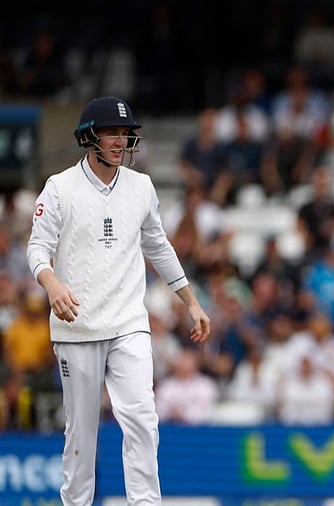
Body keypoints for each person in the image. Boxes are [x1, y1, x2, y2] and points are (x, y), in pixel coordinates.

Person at [26, 96, 211, 505]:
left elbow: (159, 246)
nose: (119, 140)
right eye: (110, 131)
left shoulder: (141, 186)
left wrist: (191, 302)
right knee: (81, 432)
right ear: (89, 136)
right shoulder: (59, 188)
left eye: (124, 133)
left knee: (142, 418)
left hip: (129, 321)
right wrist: (52, 284)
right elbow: (37, 248)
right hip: (78, 325)